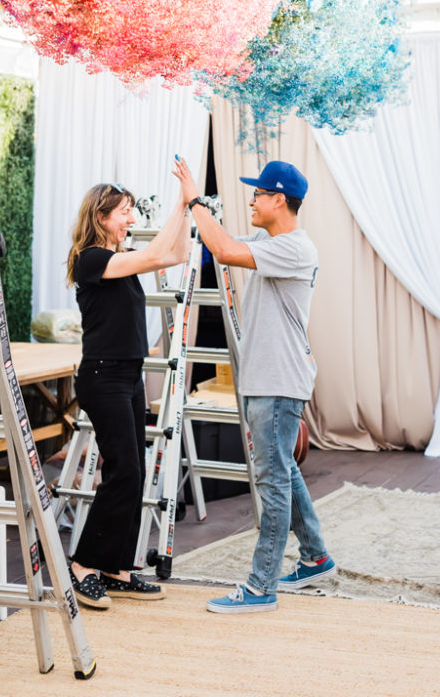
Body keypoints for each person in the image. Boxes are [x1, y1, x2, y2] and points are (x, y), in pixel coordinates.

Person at [174, 157, 335, 614]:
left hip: (279, 381)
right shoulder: (269, 240)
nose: (252, 199)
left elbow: (224, 252)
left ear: (279, 199)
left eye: (259, 193)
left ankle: (261, 585)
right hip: (271, 377)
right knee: (283, 470)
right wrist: (189, 218)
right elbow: (216, 245)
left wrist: (194, 199)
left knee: (272, 481)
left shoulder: (296, 248)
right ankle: (315, 556)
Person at [66, 179, 190, 609]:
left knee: (135, 474)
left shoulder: (118, 260)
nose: (131, 220)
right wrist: (182, 200)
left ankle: (117, 568)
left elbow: (176, 254)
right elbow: (157, 253)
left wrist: (189, 212)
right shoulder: (92, 260)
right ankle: (83, 565)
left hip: (129, 377)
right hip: (103, 378)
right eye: (124, 213)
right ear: (101, 217)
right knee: (124, 472)